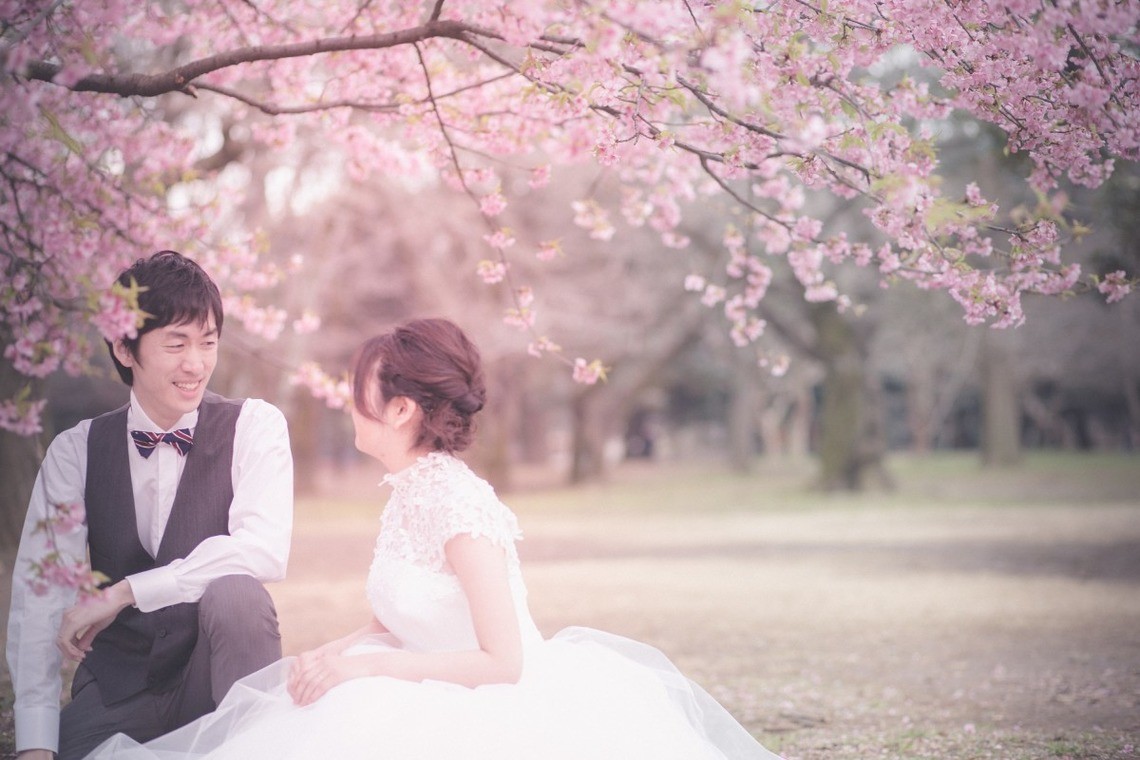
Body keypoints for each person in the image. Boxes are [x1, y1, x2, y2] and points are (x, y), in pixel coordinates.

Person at [84, 318, 780, 760]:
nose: (348, 398)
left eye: (360, 388)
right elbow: (402, 614)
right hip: (420, 680)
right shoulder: (410, 491)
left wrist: (371, 670)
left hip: (496, 711)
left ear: (401, 408)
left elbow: (504, 662)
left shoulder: (454, 500)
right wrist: (338, 649)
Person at [6, 250, 294, 760]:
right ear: (124, 347)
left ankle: (256, 747)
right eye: (176, 343)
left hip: (216, 682)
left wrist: (124, 593)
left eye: (208, 343)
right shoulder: (76, 451)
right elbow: (40, 596)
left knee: (238, 595)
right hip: (120, 690)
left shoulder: (255, 426)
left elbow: (264, 550)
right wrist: (34, 743)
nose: (196, 364)